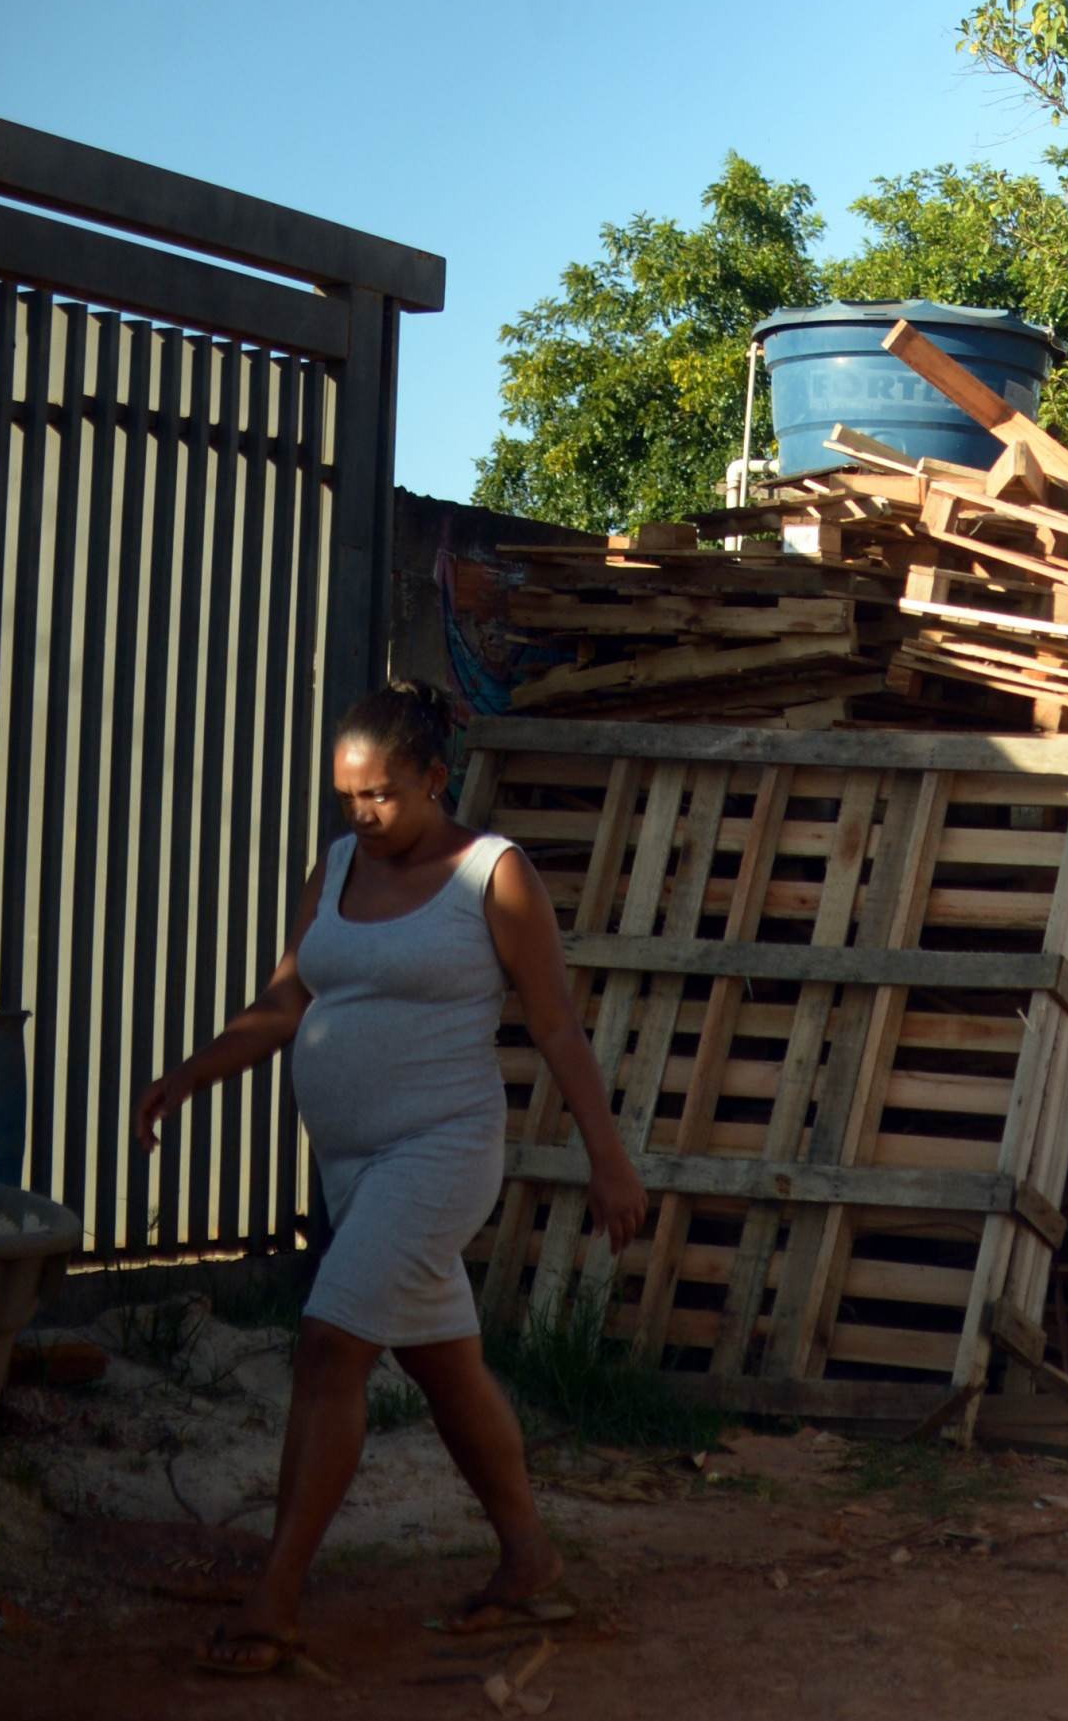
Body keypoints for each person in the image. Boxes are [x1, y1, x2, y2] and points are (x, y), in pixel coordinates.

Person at [138, 681, 647, 1676]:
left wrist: (609, 1157)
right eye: (347, 797)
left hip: (442, 1150)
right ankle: (530, 1562)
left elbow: (555, 1024)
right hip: (353, 1164)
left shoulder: (493, 875)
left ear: (433, 778)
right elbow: (285, 999)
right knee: (442, 1364)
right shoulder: (335, 868)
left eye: (379, 795)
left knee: (330, 1344)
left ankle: (273, 1604)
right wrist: (190, 1073)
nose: (362, 815)